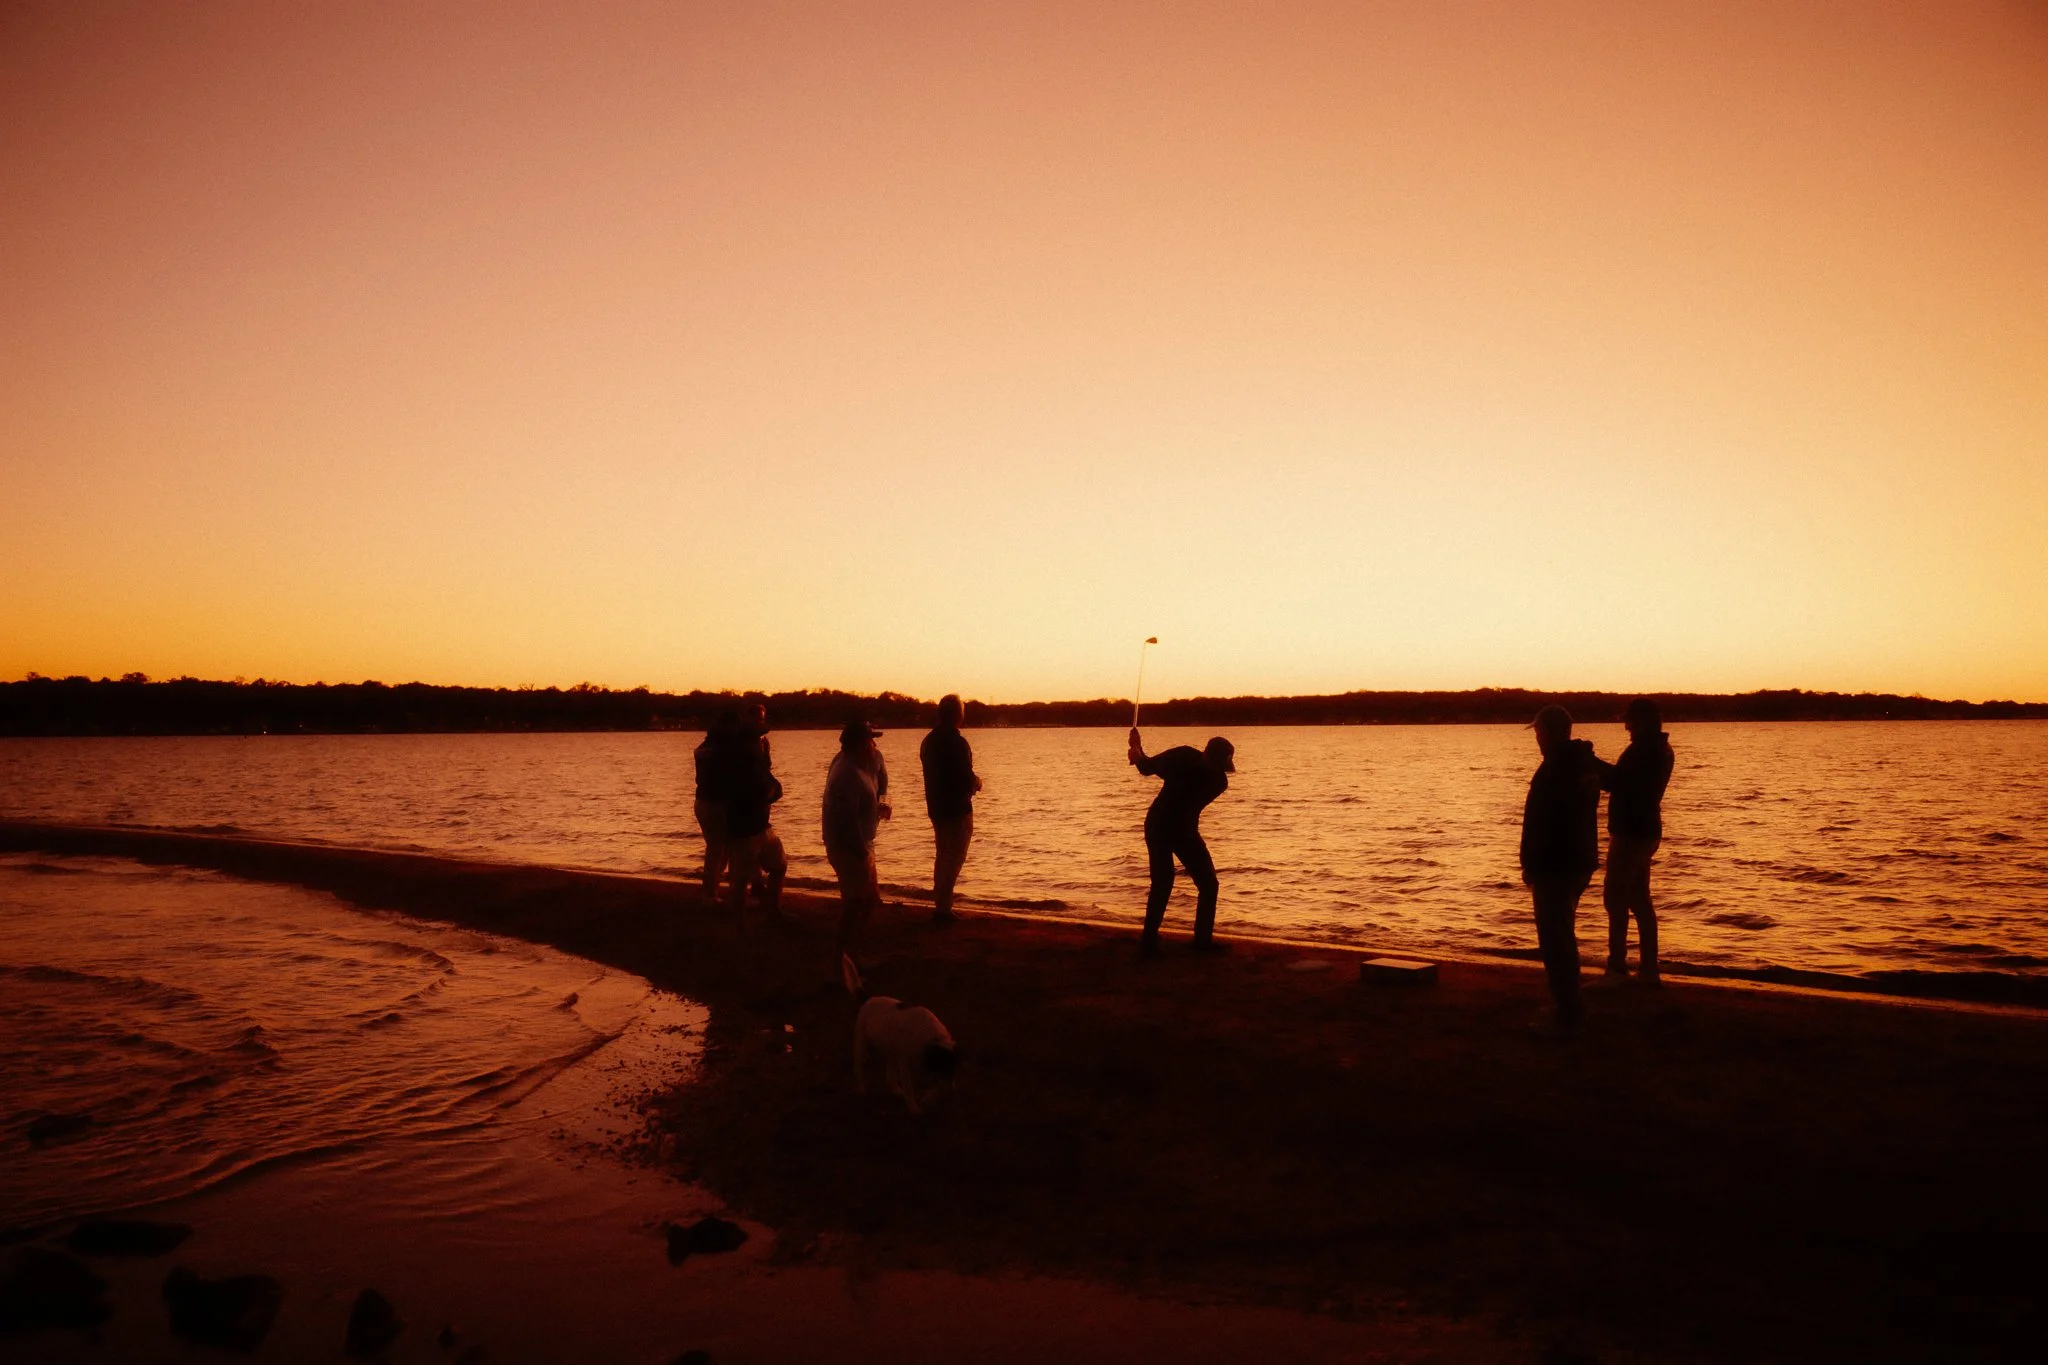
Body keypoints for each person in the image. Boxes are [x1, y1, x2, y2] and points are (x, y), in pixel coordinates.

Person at [1519, 704, 1608, 1027]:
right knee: (1561, 933)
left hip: (1556, 863)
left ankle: (1567, 1010)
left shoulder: (1559, 766)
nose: (1537, 739)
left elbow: (1546, 822)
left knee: (1555, 938)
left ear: (1549, 733)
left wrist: (1532, 863)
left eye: (1540, 732)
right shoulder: (1580, 762)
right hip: (1577, 859)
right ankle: (1568, 1005)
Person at [1127, 728, 1234, 955]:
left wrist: (1136, 750)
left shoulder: (1188, 760)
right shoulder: (1214, 777)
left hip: (1179, 828)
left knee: (1206, 884)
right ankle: (1150, 941)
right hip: (1162, 827)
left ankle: (1199, 942)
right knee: (1165, 882)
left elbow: (1145, 767)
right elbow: (1146, 767)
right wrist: (1137, 751)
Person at [1602, 698, 1675, 984]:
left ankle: (1617, 968)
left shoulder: (1645, 750)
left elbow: (1619, 781)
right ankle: (1648, 969)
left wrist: (1588, 763)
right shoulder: (1659, 749)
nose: (1625, 726)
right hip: (1645, 830)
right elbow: (1624, 780)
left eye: (1629, 721)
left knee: (1615, 897)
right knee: (1639, 900)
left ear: (1642, 721)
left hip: (1631, 832)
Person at [824, 719, 891, 960]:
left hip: (861, 843)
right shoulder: (847, 774)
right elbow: (845, 818)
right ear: (862, 744)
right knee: (854, 905)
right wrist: (859, 852)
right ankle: (841, 959)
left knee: (869, 901)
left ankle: (852, 953)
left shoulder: (856, 764)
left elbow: (877, 787)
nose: (875, 744)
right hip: (850, 847)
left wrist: (878, 807)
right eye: (871, 740)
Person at [722, 703, 786, 925]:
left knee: (779, 865)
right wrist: (771, 791)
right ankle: (739, 923)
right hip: (743, 825)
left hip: (760, 822)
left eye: (763, 719)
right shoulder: (738, 749)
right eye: (758, 720)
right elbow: (747, 785)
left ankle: (773, 911)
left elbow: (763, 777)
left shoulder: (756, 746)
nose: (762, 724)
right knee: (741, 878)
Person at [919, 694, 981, 923]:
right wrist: (976, 783)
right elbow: (964, 778)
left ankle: (941, 904)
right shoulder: (957, 742)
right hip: (956, 809)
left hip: (936, 807)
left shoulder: (929, 741)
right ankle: (943, 909)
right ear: (958, 715)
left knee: (943, 855)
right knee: (954, 857)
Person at [692, 708, 738, 900]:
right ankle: (711, 892)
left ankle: (712, 888)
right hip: (716, 803)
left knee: (717, 848)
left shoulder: (704, 747)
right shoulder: (724, 749)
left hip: (702, 801)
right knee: (719, 849)